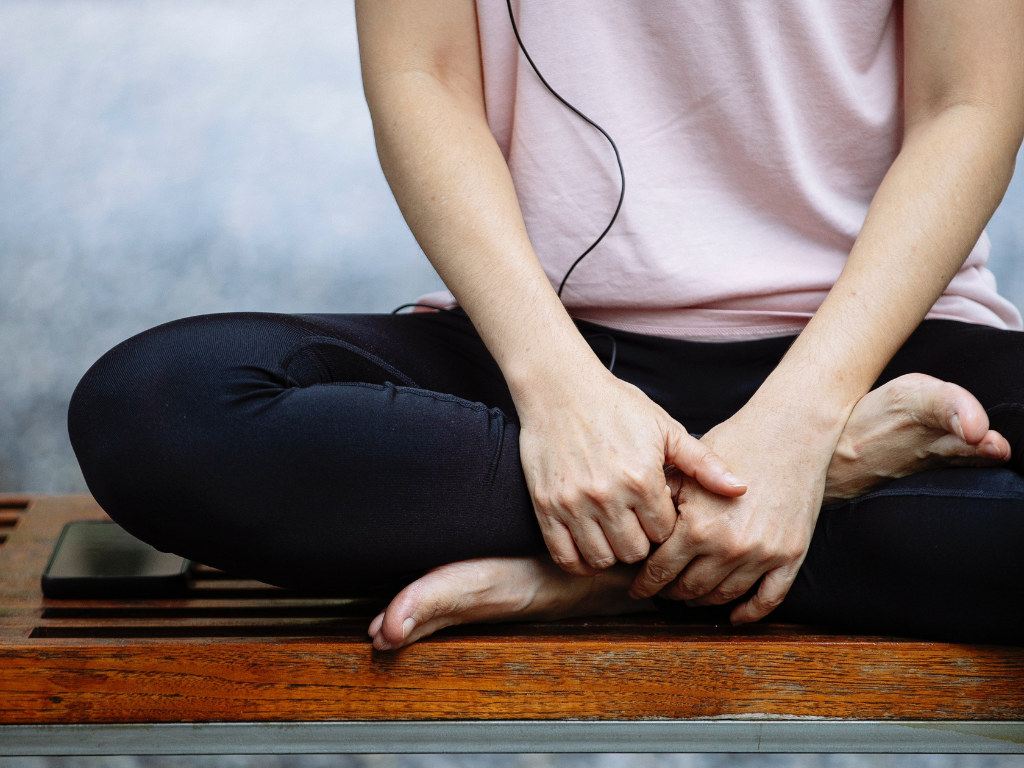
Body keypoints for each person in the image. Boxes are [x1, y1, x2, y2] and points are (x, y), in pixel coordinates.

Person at [69, 0, 1024, 648]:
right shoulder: (557, 386)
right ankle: (814, 510)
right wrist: (558, 389)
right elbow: (421, 76)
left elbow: (970, 103)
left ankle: (588, 576)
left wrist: (806, 428)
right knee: (158, 408)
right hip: (558, 369)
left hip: (877, 358)